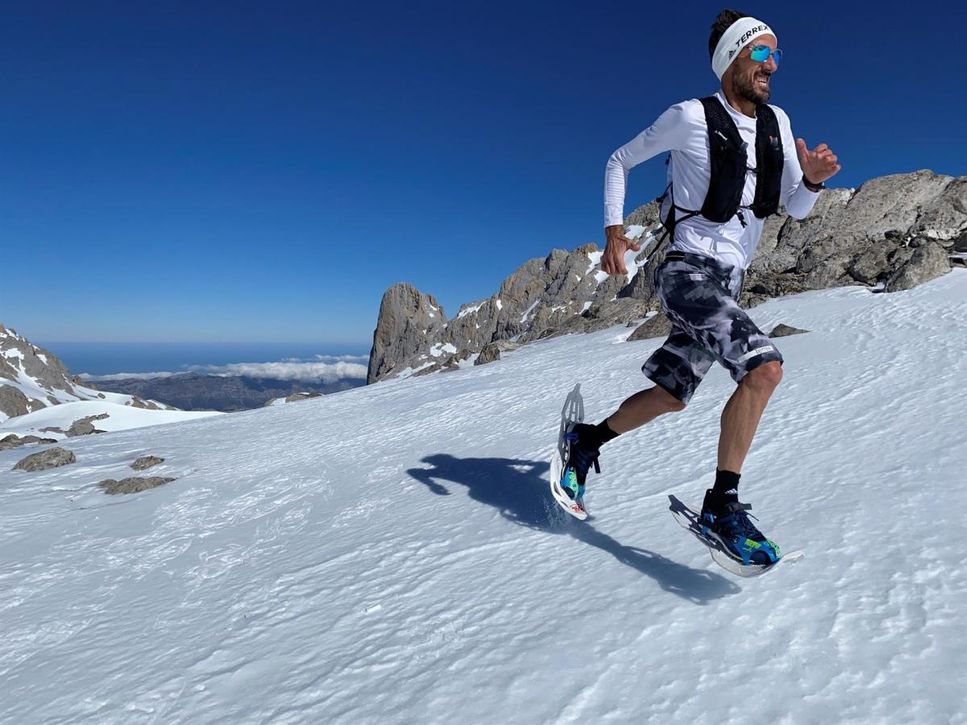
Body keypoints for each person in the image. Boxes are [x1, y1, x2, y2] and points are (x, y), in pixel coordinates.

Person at [559, 9, 841, 565]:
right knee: (764, 368)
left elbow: (797, 210)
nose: (773, 65)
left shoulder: (777, 124)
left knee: (670, 396)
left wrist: (809, 179)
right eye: (762, 53)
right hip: (687, 272)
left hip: (729, 284)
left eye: (777, 55)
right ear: (731, 58)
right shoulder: (689, 116)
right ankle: (722, 504)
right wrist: (614, 232)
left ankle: (585, 441)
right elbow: (619, 160)